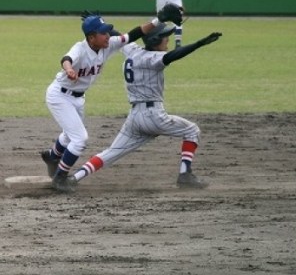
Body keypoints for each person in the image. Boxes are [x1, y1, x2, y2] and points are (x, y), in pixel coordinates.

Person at [53, 22, 222, 193]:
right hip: (154, 116)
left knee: (112, 152)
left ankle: (74, 178)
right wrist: (198, 44)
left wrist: (101, 24)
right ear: (155, 40)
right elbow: (174, 55)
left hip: (134, 118)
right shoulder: (153, 59)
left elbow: (122, 37)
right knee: (192, 131)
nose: (167, 40)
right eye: (165, 36)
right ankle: (185, 175)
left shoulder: (132, 50)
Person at [41, 5, 184, 192]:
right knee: (80, 138)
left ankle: (52, 156)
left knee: (69, 135)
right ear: (91, 37)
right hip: (59, 96)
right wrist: (69, 70)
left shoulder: (108, 45)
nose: (108, 35)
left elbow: (133, 34)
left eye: (108, 31)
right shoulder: (80, 49)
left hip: (77, 98)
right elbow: (66, 58)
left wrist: (158, 21)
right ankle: (60, 178)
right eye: (103, 33)